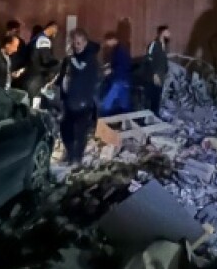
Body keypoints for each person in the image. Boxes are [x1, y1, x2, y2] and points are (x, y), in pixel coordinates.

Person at [59, 28, 100, 165]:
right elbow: (64, 74)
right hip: (69, 99)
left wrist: (71, 58)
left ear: (85, 42)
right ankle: (70, 154)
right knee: (66, 128)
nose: (76, 45)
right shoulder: (71, 58)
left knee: (80, 131)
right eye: (74, 42)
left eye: (78, 43)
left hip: (83, 100)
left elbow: (80, 68)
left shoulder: (89, 57)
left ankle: (77, 158)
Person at [24, 20, 61, 99]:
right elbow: (46, 60)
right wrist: (58, 64)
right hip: (37, 79)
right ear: (52, 28)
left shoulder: (36, 38)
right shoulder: (43, 40)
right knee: (36, 102)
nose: (56, 32)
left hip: (30, 76)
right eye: (56, 29)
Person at [99, 33, 134, 116]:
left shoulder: (120, 50)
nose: (107, 44)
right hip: (123, 80)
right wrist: (109, 66)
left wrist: (111, 70)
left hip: (120, 80)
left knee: (107, 104)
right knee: (124, 104)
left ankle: (103, 119)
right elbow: (118, 63)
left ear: (112, 39)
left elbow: (123, 65)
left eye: (107, 41)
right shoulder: (118, 49)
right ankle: (126, 119)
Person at [144, 25, 170, 114]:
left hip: (161, 77)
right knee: (150, 99)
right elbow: (148, 59)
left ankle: (155, 115)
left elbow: (164, 61)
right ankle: (147, 117)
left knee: (157, 99)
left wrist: (166, 72)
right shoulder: (154, 44)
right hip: (152, 78)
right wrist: (154, 74)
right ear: (162, 33)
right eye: (167, 32)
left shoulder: (164, 46)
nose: (169, 34)